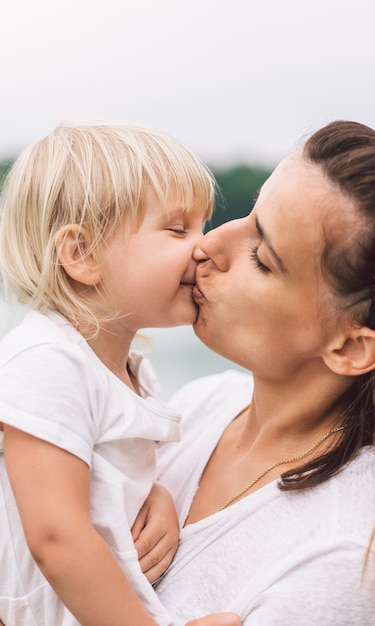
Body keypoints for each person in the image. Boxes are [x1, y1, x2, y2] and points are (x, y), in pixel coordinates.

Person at [132, 121, 375, 624]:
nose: (208, 245)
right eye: (247, 215)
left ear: (351, 348)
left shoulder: (340, 560)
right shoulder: (203, 404)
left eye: (261, 258)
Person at [0, 122, 240, 626]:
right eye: (178, 229)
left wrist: (157, 495)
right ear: (82, 256)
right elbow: (55, 536)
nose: (204, 246)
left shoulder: (132, 372)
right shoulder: (46, 361)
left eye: (204, 226)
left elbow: (100, 478)